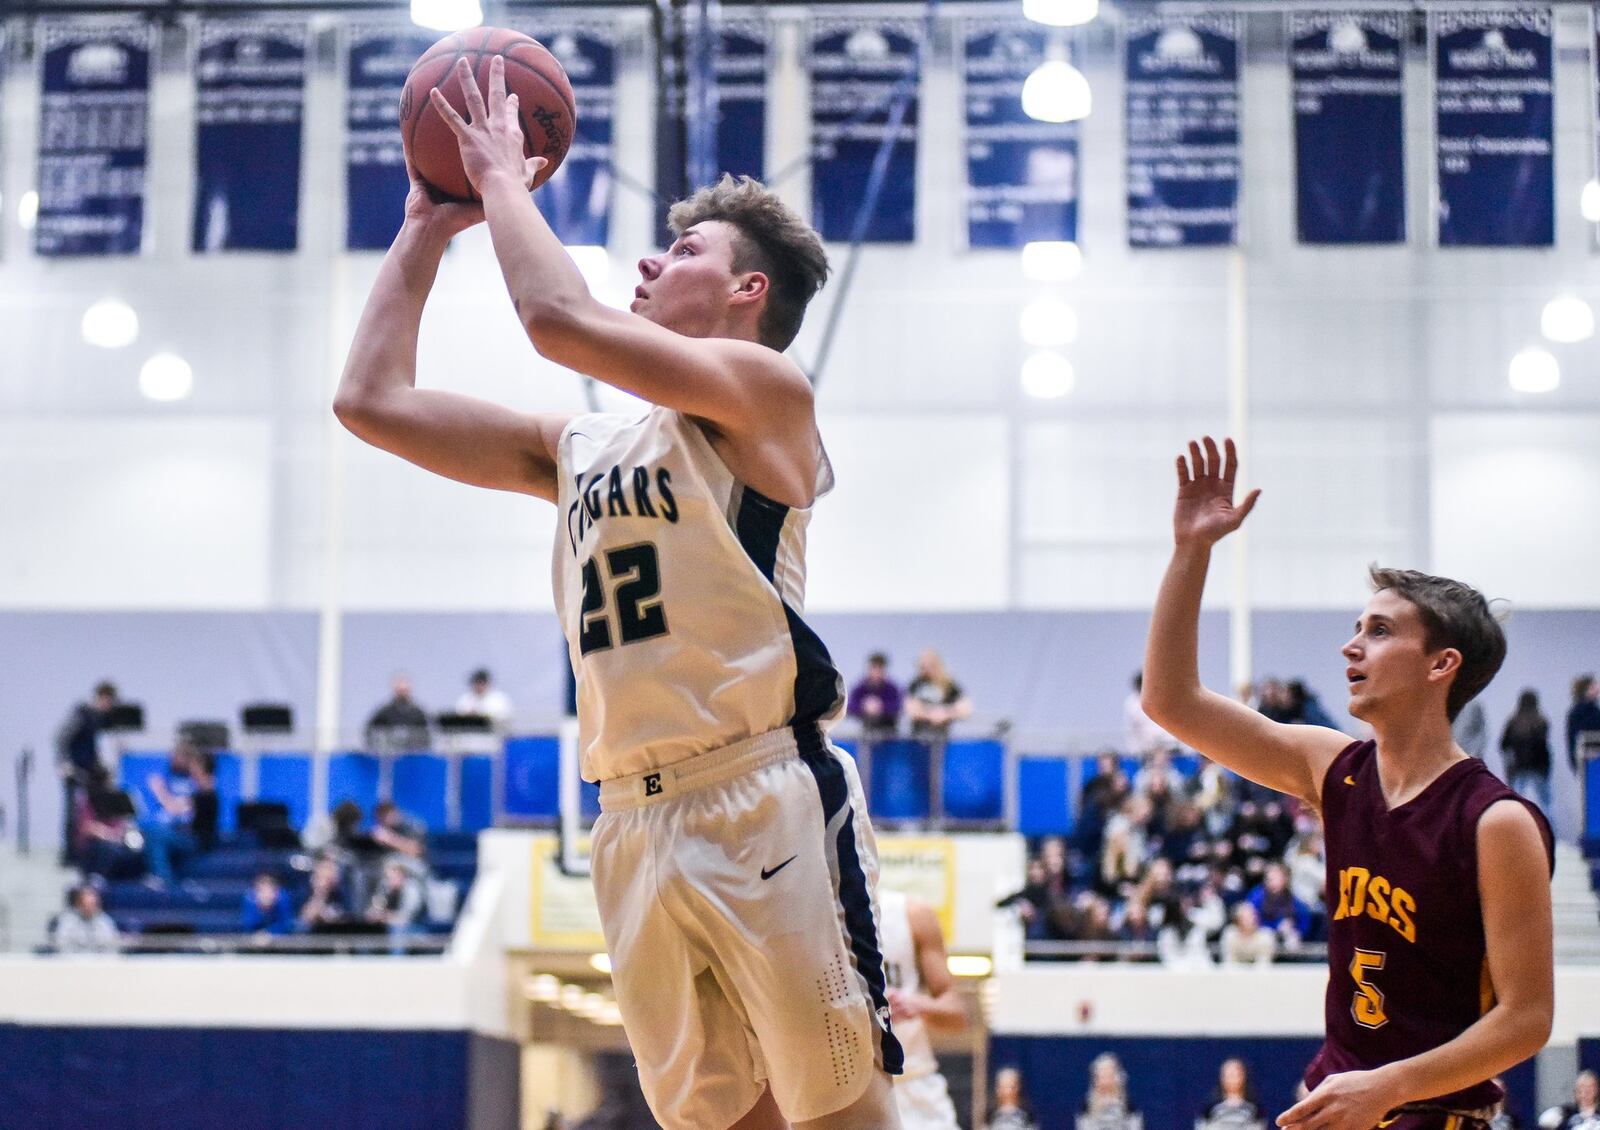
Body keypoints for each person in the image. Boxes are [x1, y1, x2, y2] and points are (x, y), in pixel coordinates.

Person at [335, 54, 899, 1130]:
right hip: (628, 818)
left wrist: (500, 176)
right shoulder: (578, 442)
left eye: (684, 249)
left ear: (749, 291)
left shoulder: (769, 395)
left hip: (758, 786)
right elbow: (371, 399)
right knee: (719, 1118)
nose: (650, 257)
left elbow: (557, 317)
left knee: (839, 1110)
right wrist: (424, 224)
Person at [1141, 437, 1554, 1130]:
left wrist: (1386, 1088)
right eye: (1356, 627)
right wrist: (1191, 552)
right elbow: (1171, 702)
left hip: (1433, 1113)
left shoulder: (1494, 821)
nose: (1350, 646)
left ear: (1440, 665)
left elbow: (1527, 1020)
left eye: (1381, 631)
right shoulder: (1333, 769)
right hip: (1340, 1103)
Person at [877, 889, 965, 1130]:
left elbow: (957, 1014)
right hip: (846, 1087)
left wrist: (918, 1004)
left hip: (913, 1081)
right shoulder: (815, 914)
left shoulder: (912, 913)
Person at [54, 681, 119, 865]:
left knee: (87, 811)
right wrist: (63, 763)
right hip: (73, 770)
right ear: (102, 698)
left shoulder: (97, 718)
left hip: (88, 771)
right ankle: (69, 855)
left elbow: (92, 747)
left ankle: (82, 851)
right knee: (71, 813)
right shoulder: (82, 715)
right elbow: (61, 738)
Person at [138, 739, 206, 886]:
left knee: (156, 833)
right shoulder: (169, 778)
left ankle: (163, 879)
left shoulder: (195, 785)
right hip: (163, 829)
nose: (172, 759)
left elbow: (177, 808)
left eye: (177, 756)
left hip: (185, 835)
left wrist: (160, 791)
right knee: (144, 829)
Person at [1499, 690, 1552, 814]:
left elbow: (1503, 745)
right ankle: (1546, 831)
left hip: (1517, 768)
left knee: (1516, 805)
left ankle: (1517, 831)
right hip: (1538, 767)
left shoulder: (1513, 721)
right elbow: (1543, 747)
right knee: (1545, 806)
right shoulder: (1541, 721)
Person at [905, 650, 972, 745]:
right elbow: (911, 709)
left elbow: (965, 709)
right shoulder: (916, 684)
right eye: (922, 667)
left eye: (929, 666)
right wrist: (930, 715)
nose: (926, 670)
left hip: (941, 737)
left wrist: (946, 713)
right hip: (919, 736)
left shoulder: (948, 684)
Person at [365, 673, 430, 751]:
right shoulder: (384, 712)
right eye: (400, 690)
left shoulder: (418, 713)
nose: (402, 693)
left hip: (412, 756)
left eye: (404, 690)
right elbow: (370, 731)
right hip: (389, 756)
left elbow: (427, 735)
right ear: (395, 690)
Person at [1078, 1052, 1143, 1130]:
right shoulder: (1086, 1108)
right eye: (1102, 1076)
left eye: (1110, 1075)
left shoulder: (1130, 1107)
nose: (1106, 1082)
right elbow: (1083, 1125)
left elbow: (1135, 1125)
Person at [847, 653, 903, 742]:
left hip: (889, 734)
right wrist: (864, 707)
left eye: (879, 669)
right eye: (874, 668)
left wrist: (881, 707)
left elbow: (898, 706)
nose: (876, 673)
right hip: (866, 732)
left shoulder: (892, 688)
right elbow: (850, 706)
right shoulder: (861, 687)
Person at [1196, 1058, 1265, 1130]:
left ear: (1244, 1076)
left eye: (1236, 1074)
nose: (1232, 1078)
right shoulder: (1209, 1110)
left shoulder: (1255, 1110)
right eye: (1229, 1074)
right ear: (1221, 1077)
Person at [51, 885, 121, 954]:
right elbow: (60, 943)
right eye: (85, 905)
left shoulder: (104, 921)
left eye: (92, 905)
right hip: (72, 960)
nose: (89, 908)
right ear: (78, 904)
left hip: (99, 961)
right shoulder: (67, 920)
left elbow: (112, 944)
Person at [1125, 672, 1177, 756]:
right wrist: (1134, 750)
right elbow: (1132, 729)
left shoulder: (1163, 696)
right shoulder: (1131, 703)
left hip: (1167, 743)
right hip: (1146, 746)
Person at [298, 855, 350, 930]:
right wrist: (319, 893)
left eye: (330, 870)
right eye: (322, 875)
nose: (327, 875)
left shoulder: (343, 894)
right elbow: (302, 921)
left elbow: (348, 921)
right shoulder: (303, 892)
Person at [1219, 902, 1276, 967]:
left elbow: (1264, 965)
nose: (1253, 919)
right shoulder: (1230, 935)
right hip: (1235, 975)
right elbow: (1229, 963)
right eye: (1247, 917)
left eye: (1253, 916)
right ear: (1238, 920)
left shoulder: (1266, 936)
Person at [241, 872, 296, 936]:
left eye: (269, 890)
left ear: (276, 892)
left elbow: (286, 925)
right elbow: (249, 926)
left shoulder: (283, 899)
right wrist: (261, 909)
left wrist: (270, 933)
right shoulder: (250, 899)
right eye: (263, 891)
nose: (266, 894)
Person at [1565, 676, 1600, 772]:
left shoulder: (1594, 710)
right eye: (1593, 687)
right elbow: (1574, 738)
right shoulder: (1580, 712)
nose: (1597, 689)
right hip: (1588, 758)